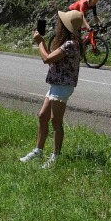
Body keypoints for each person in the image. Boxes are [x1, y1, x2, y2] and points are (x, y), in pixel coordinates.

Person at [20, 9, 84, 169]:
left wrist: (39, 41)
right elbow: (52, 59)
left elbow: (47, 59)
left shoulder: (70, 44)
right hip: (57, 84)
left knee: (56, 121)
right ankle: (38, 150)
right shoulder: (70, 43)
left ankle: (55, 156)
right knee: (43, 116)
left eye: (60, 23)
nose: (57, 25)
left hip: (62, 87)